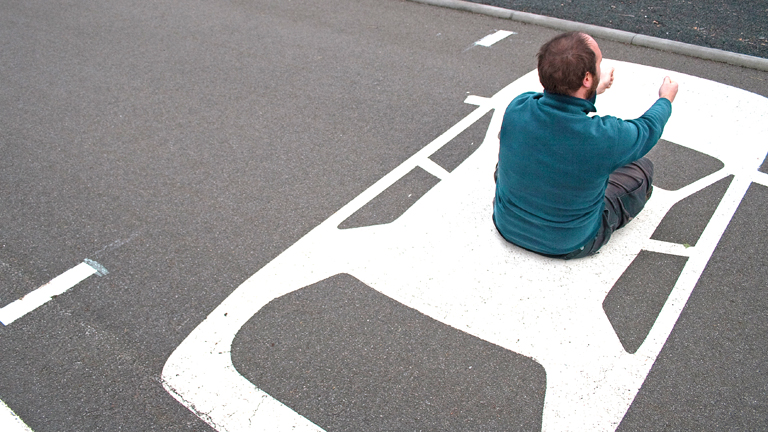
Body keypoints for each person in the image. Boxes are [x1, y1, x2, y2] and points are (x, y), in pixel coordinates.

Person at [493, 32, 679, 259]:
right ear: (587, 78)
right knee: (641, 168)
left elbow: (557, 103)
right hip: (569, 243)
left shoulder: (518, 106)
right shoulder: (604, 137)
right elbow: (648, 128)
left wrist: (592, 91)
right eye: (598, 63)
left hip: (507, 226)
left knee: (518, 152)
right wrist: (665, 99)